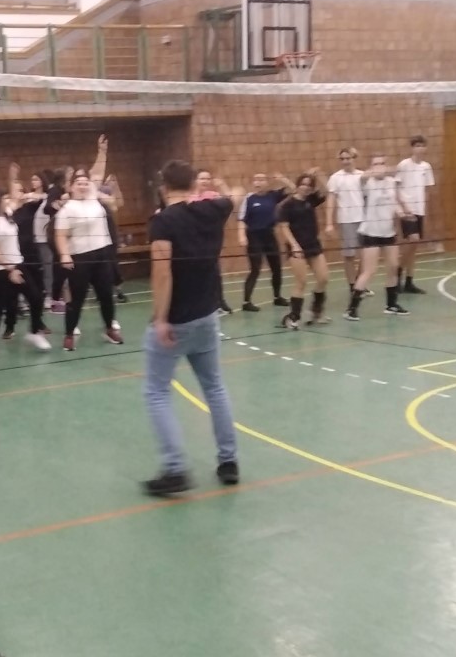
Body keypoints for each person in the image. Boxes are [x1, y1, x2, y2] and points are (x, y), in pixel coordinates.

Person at [142, 160, 239, 496]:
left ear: (163, 187)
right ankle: (229, 461)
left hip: (178, 320)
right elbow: (232, 198)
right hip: (207, 316)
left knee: (156, 392)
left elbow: (162, 272)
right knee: (215, 387)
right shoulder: (215, 209)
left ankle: (174, 469)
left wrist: (161, 318)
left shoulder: (163, 221)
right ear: (195, 186)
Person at [56, 136, 122, 350]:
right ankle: (69, 334)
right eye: (79, 183)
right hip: (80, 257)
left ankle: (110, 328)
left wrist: (102, 152)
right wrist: (65, 255)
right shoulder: (67, 209)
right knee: (76, 299)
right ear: (71, 186)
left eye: (86, 183)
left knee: (106, 295)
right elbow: (60, 235)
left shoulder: (93, 196)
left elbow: (97, 173)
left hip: (102, 254)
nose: (83, 185)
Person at [0, 187, 51, 361]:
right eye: (4, 198)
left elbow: (20, 200)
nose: (7, 201)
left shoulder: (7, 215)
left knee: (36, 297)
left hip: (18, 263)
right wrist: (10, 269)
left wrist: (27, 192)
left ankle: (34, 332)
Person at [345, 156, 411, 321]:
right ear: (371, 166)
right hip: (370, 233)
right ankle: (352, 308)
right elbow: (363, 177)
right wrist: (376, 171)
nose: (380, 166)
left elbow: (393, 202)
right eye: (376, 164)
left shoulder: (390, 182)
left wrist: (402, 214)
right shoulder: (367, 182)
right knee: (369, 270)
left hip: (388, 232)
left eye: (382, 163)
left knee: (393, 267)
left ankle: (391, 305)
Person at [276, 170, 331, 330]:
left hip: (313, 245)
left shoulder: (311, 200)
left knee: (323, 278)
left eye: (309, 185)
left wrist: (319, 175)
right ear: (297, 185)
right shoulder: (286, 205)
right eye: (303, 184)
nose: (305, 187)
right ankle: (294, 317)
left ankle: (316, 311)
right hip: (297, 248)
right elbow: (284, 227)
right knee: (301, 282)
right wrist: (294, 246)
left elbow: (328, 191)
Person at [237, 173, 290, 311]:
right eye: (256, 180)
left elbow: (294, 189)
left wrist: (283, 179)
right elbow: (242, 219)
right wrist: (242, 236)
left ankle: (277, 297)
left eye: (261, 179)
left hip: (269, 235)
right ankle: (246, 302)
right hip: (254, 237)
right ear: (253, 183)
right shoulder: (249, 199)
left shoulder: (273, 195)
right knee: (255, 269)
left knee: (276, 268)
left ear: (267, 182)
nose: (258, 182)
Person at [396, 136, 434, 294]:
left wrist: (425, 209)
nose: (419, 148)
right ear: (412, 148)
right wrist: (404, 207)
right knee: (413, 240)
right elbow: (396, 188)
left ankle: (409, 281)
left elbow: (427, 190)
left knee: (414, 247)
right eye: (416, 145)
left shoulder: (426, 167)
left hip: (419, 210)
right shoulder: (404, 165)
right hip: (407, 210)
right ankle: (397, 272)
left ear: (425, 148)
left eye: (422, 145)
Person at [325, 147, 366, 293]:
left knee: (366, 255)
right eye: (342, 159)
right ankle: (352, 286)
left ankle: (361, 284)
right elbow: (331, 200)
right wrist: (329, 223)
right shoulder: (336, 178)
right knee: (349, 255)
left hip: (364, 220)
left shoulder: (362, 176)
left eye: (348, 158)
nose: (345, 161)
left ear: (354, 158)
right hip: (346, 220)